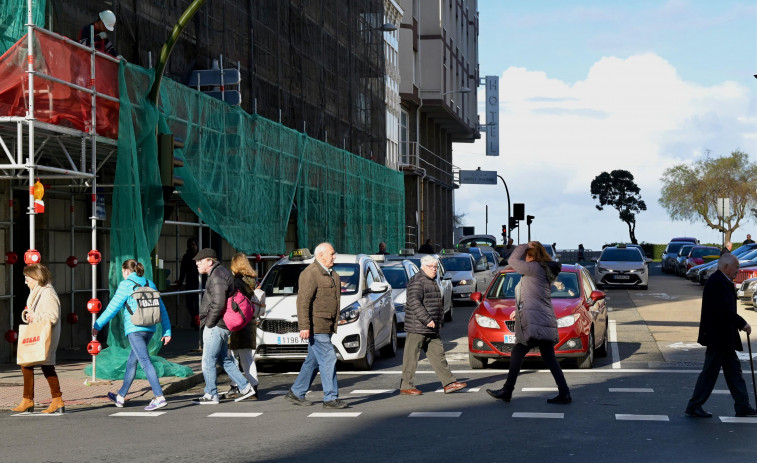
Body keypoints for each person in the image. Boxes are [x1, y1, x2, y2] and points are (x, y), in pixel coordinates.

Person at [486, 241, 571, 404]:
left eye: (527, 255)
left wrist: (524, 245)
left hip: (535, 322)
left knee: (518, 353)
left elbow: (512, 261)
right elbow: (533, 297)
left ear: (532, 256)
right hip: (539, 319)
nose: (525, 258)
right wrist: (517, 311)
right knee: (549, 358)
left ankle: (507, 391)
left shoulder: (535, 269)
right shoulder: (540, 271)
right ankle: (564, 392)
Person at [93, 260, 172, 411]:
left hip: (135, 329)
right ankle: (121, 396)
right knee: (131, 362)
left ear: (126, 271)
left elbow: (112, 308)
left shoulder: (126, 284)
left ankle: (159, 396)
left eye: (123, 273)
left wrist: (98, 325)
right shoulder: (150, 283)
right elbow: (162, 309)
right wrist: (167, 330)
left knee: (144, 361)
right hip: (150, 329)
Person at [685, 253, 757, 418]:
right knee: (710, 373)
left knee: (733, 372)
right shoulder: (718, 282)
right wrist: (742, 323)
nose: (738, 271)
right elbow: (725, 310)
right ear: (726, 267)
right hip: (718, 337)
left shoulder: (721, 280)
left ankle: (743, 406)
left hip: (724, 337)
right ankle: (694, 405)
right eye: (736, 267)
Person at [286, 243, 348, 409]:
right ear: (321, 255)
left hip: (326, 325)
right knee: (329, 358)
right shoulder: (310, 273)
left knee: (313, 361)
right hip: (316, 325)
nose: (334, 257)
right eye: (332, 254)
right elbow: (303, 302)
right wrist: (304, 326)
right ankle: (330, 398)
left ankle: (296, 392)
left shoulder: (332, 274)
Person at [193, 248, 256, 404]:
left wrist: (209, 323)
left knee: (208, 360)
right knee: (224, 359)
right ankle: (245, 387)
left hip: (217, 325)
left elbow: (219, 303)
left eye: (200, 261)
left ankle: (211, 394)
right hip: (221, 324)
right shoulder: (219, 273)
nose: (197, 263)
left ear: (210, 261)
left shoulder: (217, 276)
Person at [399, 254, 467, 395]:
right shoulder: (418, 281)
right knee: (411, 356)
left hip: (431, 326)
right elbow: (414, 302)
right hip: (418, 326)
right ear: (423, 267)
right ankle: (406, 385)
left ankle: (449, 383)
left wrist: (437, 321)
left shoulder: (431, 280)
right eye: (432, 267)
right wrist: (427, 319)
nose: (435, 269)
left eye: (436, 267)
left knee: (438, 355)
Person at [12, 264, 64, 414]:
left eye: (27, 278)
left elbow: (53, 316)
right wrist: (29, 315)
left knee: (39, 366)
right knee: (32, 365)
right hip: (40, 335)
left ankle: (51, 400)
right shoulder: (38, 292)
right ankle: (43, 400)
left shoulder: (47, 293)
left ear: (36, 277)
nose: (25, 281)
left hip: (46, 337)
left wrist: (36, 316)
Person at [222, 253, 265, 401]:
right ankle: (253, 387)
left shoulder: (235, 282)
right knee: (247, 357)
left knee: (231, 356)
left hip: (236, 321)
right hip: (250, 321)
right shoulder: (253, 281)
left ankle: (236, 386)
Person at [175, 237, 200, 328]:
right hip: (190, 283)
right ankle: (195, 319)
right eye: (191, 245)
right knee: (189, 304)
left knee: (197, 305)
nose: (193, 247)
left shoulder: (200, 256)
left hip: (199, 284)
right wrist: (180, 284)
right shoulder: (186, 257)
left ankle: (196, 322)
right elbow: (183, 272)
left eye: (194, 245)